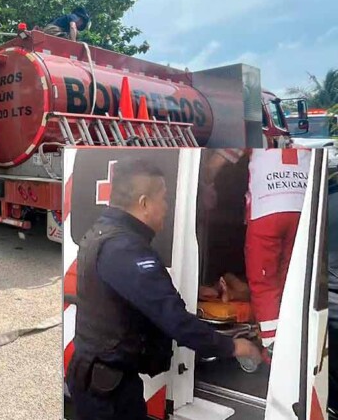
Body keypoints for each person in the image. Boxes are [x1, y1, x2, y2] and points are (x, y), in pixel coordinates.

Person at [69, 158, 261, 420]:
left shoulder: (103, 231)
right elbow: (176, 320)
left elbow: (129, 296)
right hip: (108, 393)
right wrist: (234, 347)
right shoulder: (126, 249)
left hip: (95, 380)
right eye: (165, 199)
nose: (167, 208)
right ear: (144, 203)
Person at [203, 148, 311, 362]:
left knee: (264, 282)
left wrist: (204, 183)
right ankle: (292, 343)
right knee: (290, 281)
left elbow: (217, 163)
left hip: (266, 209)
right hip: (303, 209)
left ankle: (273, 352)